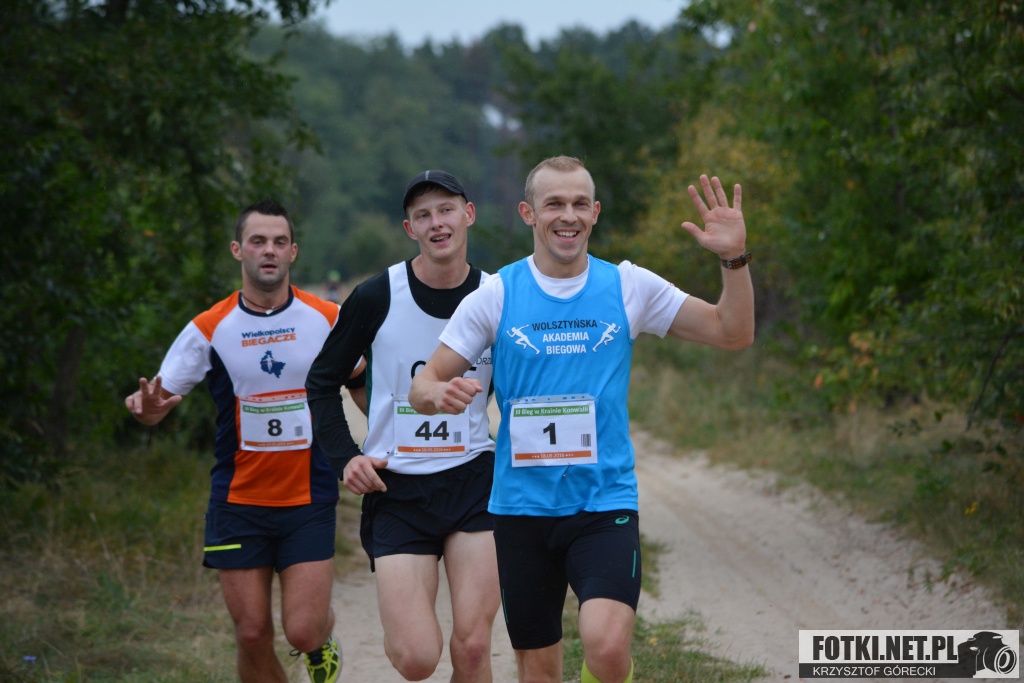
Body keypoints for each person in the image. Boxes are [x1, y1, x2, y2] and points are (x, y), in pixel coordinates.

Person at [408, 156, 755, 683]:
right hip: (522, 510)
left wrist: (734, 259)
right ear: (529, 213)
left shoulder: (628, 286)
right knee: (538, 671)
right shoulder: (497, 293)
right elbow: (423, 384)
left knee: (607, 647)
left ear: (594, 213)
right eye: (554, 204)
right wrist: (438, 393)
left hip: (603, 503)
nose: (567, 215)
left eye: (578, 204)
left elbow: (733, 332)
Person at [125, 199, 365, 683]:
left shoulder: (327, 317)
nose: (268, 250)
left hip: (308, 497)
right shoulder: (209, 327)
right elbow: (157, 400)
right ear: (238, 250)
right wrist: (148, 410)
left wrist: (389, 437)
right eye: (258, 241)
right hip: (238, 500)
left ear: (293, 251)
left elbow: (361, 380)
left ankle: (321, 638)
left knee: (302, 630)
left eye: (279, 242)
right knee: (252, 632)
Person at [306, 170, 500, 682]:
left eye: (446, 210)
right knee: (416, 659)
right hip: (397, 487)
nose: (437, 223)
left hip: (474, 480)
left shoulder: (497, 295)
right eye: (423, 215)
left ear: (468, 214)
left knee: (474, 648)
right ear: (410, 228)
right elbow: (321, 382)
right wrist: (345, 457)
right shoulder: (376, 296)